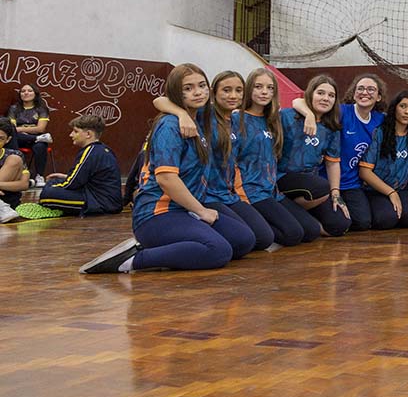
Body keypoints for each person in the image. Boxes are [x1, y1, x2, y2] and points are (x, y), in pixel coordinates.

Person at [80, 64, 256, 274]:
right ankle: (131, 259)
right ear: (176, 92)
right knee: (218, 251)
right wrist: (201, 211)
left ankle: (174, 245)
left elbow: (161, 101)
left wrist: (182, 113)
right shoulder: (170, 126)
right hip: (157, 213)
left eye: (201, 86)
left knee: (243, 240)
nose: (197, 92)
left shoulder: (199, 117)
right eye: (188, 88)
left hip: (185, 210)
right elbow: (166, 179)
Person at [154, 71, 275, 252]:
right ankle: (187, 238)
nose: (233, 95)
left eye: (238, 90)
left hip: (228, 194)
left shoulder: (236, 119)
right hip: (207, 194)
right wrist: (182, 114)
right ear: (213, 92)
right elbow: (159, 101)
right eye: (226, 90)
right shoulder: (205, 114)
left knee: (264, 238)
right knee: (243, 240)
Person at [235, 68, 321, 246]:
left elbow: (298, 101)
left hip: (272, 191)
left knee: (311, 230)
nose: (264, 92)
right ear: (249, 88)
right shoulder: (238, 118)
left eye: (270, 88)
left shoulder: (274, 118)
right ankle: (252, 227)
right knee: (292, 234)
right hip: (250, 191)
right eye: (258, 86)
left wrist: (310, 115)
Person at [293, 73, 387, 231]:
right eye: (360, 88)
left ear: (378, 97)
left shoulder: (379, 119)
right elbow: (298, 101)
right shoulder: (342, 112)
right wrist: (309, 114)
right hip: (326, 179)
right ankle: (300, 214)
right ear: (353, 93)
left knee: (362, 222)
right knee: (338, 223)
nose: (365, 92)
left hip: (351, 183)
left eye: (371, 89)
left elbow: (400, 120)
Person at [278, 75, 351, 237]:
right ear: (310, 94)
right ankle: (290, 213)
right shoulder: (288, 116)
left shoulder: (331, 127)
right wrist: (308, 115)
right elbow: (295, 102)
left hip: (310, 183)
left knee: (340, 224)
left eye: (331, 95)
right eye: (320, 93)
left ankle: (295, 213)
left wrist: (336, 195)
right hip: (283, 176)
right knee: (320, 187)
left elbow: (332, 163)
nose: (325, 98)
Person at [358, 91, 408, 229]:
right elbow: (364, 172)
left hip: (401, 189)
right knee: (386, 219)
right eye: (403, 106)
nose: (407, 112)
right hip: (376, 189)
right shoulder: (380, 132)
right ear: (395, 108)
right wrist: (391, 193)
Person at [34, 115, 123, 216]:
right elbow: (83, 177)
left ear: (88, 134)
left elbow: (72, 183)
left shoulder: (90, 152)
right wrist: (63, 178)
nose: (71, 134)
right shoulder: (101, 149)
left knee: (47, 195)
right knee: (53, 181)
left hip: (101, 202)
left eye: (75, 131)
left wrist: (52, 187)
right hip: (102, 197)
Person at [9, 83, 50, 185]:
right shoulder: (14, 109)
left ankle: (39, 176)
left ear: (35, 94)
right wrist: (32, 131)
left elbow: (40, 128)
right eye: (23, 91)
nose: (26, 93)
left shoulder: (41, 109)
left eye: (30, 91)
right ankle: (20, 174)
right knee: (12, 136)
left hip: (35, 138)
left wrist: (20, 129)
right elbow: (12, 129)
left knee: (40, 146)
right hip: (19, 139)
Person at [0, 120, 29, 223]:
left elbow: (24, 184)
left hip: (8, 202)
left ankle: (2, 208)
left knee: (15, 159)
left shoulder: (15, 155)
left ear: (8, 140)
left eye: (0, 138)